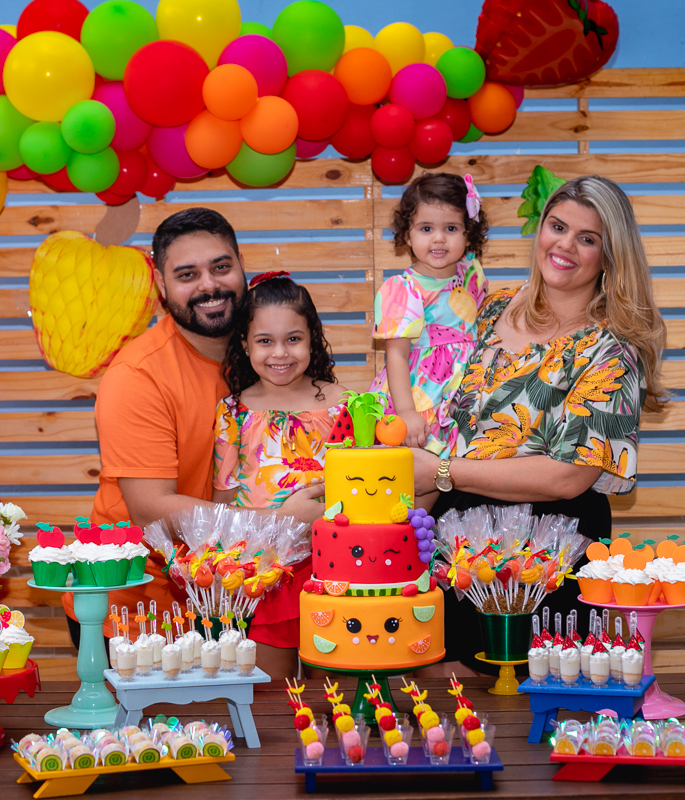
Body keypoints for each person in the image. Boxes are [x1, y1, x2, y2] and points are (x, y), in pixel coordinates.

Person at [413, 175, 669, 668]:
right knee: (451, 696)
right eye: (557, 226)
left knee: (532, 696)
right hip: (456, 545)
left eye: (587, 238)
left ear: (609, 256)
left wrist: (442, 472)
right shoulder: (492, 308)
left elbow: (568, 476)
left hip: (549, 554)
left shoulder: (612, 351)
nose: (565, 245)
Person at [66, 209, 324, 652]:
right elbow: (151, 509)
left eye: (221, 267)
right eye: (187, 275)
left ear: (241, 267)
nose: (209, 285)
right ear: (161, 286)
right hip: (139, 610)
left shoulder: (267, 357)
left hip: (237, 595)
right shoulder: (138, 375)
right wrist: (281, 523)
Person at [212, 271, 348, 676]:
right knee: (269, 695)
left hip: (335, 567)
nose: (280, 353)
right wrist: (280, 520)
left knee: (335, 691)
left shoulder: (344, 404)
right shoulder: (232, 412)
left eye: (293, 338)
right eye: (265, 341)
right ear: (244, 344)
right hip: (263, 572)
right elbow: (222, 509)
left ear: (312, 339)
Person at [369, 173, 490, 459]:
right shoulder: (403, 289)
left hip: (465, 389)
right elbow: (397, 356)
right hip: (420, 393)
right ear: (407, 234)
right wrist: (407, 413)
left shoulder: (472, 274)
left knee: (459, 465)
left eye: (451, 228)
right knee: (417, 463)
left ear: (468, 234)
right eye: (426, 228)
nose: (438, 238)